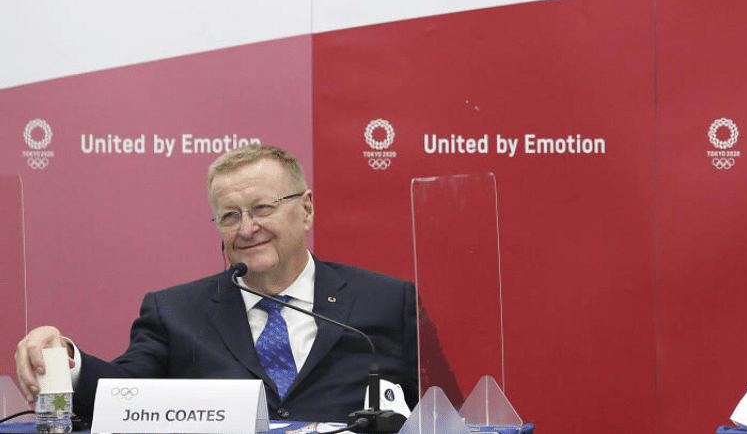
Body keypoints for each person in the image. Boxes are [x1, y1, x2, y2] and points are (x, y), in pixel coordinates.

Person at [14, 145, 445, 422]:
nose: (248, 227)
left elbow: (446, 412)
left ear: (307, 209)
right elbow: (120, 395)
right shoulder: (174, 312)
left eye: (262, 207)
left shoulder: (388, 300)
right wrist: (66, 359)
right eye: (230, 216)